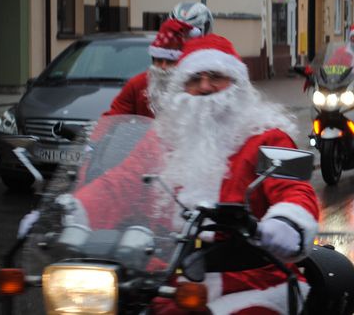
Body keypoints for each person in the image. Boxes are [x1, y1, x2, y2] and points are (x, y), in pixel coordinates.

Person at [76, 34, 320, 314]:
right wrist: (70, 211)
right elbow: (120, 184)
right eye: (194, 79)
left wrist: (287, 221)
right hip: (170, 279)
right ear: (181, 88)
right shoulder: (163, 139)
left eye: (216, 76)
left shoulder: (268, 138)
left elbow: (295, 191)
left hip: (250, 283)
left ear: (238, 84)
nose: (205, 87)